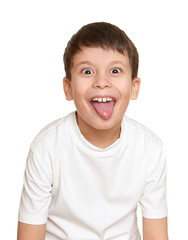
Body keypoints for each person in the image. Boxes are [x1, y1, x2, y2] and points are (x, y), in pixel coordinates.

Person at [17, 22, 168, 240]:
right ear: (68, 88)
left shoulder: (150, 148)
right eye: (87, 71)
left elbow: (157, 235)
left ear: (134, 87)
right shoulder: (46, 147)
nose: (101, 82)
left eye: (115, 71)